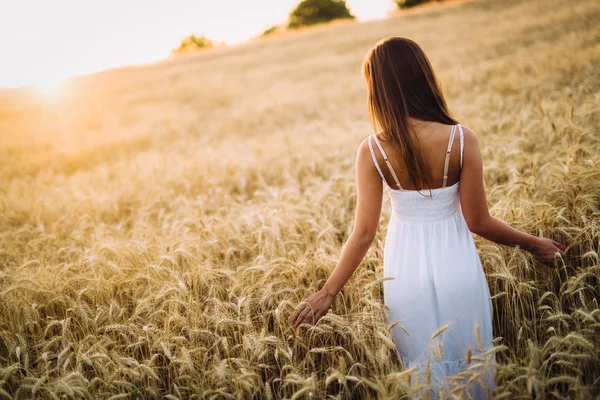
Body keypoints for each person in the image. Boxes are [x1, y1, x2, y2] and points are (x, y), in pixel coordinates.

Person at [289, 37, 566, 399]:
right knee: (473, 368)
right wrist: (534, 244)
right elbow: (479, 221)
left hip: (405, 275)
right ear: (423, 77)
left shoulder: (372, 150)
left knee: (423, 373)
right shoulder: (461, 139)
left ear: (379, 89)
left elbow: (363, 233)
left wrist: (327, 292)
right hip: (459, 268)